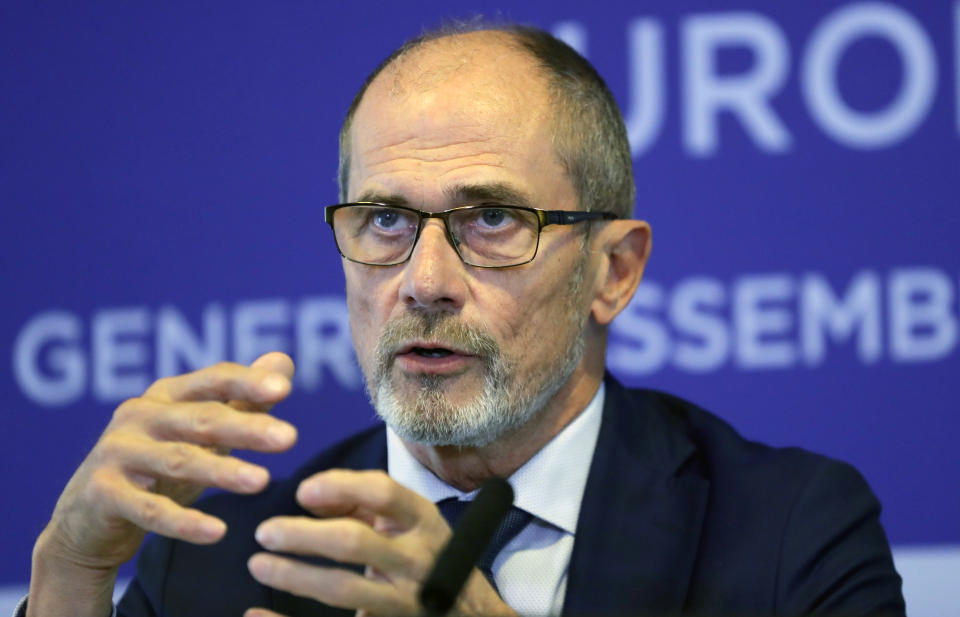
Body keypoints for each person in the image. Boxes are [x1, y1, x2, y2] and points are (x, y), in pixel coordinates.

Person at [22, 23, 905, 617]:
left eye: (492, 219)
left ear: (614, 269)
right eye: (385, 220)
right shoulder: (218, 557)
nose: (424, 281)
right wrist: (71, 573)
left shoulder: (789, 534)